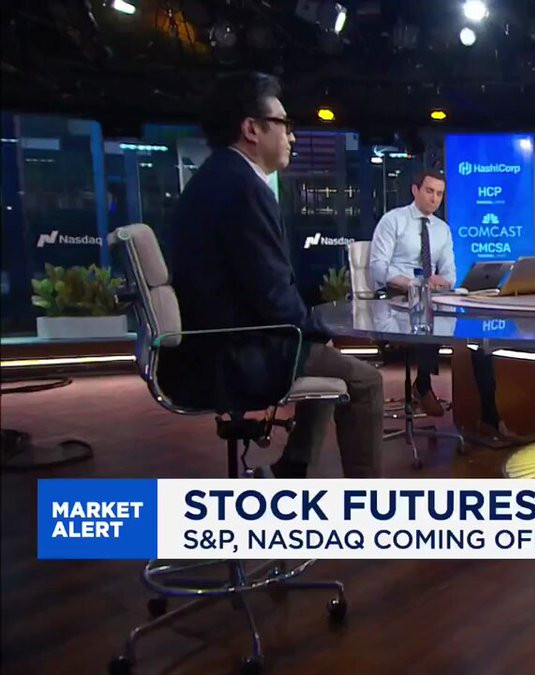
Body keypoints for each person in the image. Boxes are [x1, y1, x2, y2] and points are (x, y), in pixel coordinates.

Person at [168, 71, 382, 478]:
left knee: (323, 356)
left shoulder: (216, 178)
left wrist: (312, 332)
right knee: (366, 381)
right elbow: (271, 295)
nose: (292, 137)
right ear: (252, 129)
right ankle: (369, 499)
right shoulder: (243, 189)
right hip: (233, 353)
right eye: (284, 124)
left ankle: (294, 469)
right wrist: (314, 329)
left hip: (210, 346)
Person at [368, 171, 510, 439]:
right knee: (427, 315)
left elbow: (450, 274)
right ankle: (423, 385)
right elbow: (378, 269)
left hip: (431, 299)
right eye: (429, 191)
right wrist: (415, 283)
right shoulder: (393, 220)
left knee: (477, 337)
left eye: (439, 194)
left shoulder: (441, 229)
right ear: (415, 190)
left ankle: (489, 417)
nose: (434, 198)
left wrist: (441, 281)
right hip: (396, 298)